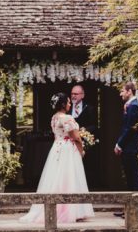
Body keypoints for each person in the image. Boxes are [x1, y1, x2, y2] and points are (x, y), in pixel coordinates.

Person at [20, 92, 94, 224]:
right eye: (68, 102)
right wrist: (81, 151)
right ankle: (69, 211)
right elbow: (76, 137)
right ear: (63, 104)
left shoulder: (54, 118)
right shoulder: (67, 118)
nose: (70, 104)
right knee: (69, 177)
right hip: (67, 149)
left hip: (57, 148)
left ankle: (65, 209)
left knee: (57, 177)